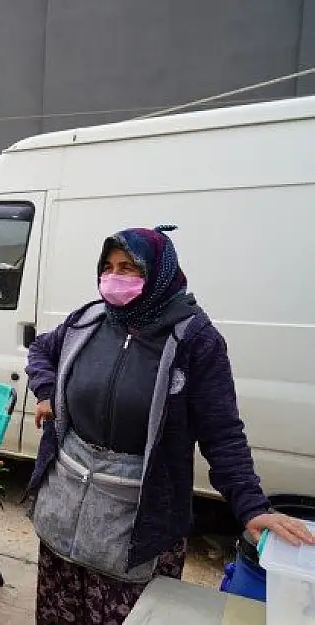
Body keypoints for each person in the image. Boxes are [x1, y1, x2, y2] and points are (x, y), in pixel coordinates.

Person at [25, 225, 315, 625]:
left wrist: (251, 507)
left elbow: (222, 432)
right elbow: (41, 349)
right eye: (108, 267)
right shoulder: (89, 320)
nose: (115, 278)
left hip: (136, 527)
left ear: (159, 273)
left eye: (129, 268)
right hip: (65, 513)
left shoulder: (195, 340)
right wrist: (44, 391)